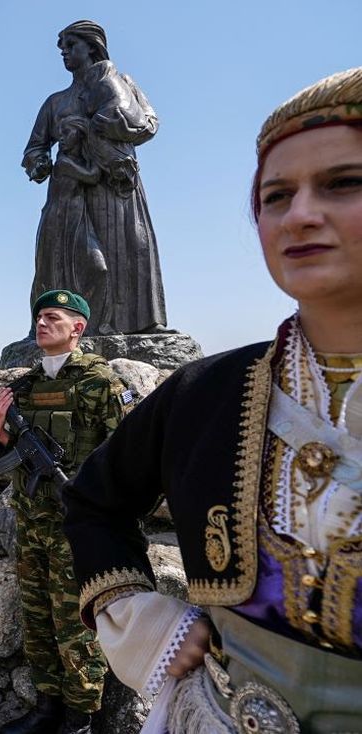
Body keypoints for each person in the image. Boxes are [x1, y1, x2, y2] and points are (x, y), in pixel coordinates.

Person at [63, 67, 362, 734]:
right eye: (276, 196)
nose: (301, 213)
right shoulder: (205, 393)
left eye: (344, 183)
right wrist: (141, 619)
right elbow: (92, 499)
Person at [0, 289, 130, 734]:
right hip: (33, 521)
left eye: (52, 317)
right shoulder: (25, 387)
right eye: (39, 317)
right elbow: (7, 453)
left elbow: (125, 456)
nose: (41, 323)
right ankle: (46, 706)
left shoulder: (101, 383)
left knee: (76, 623)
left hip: (77, 527)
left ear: (78, 328)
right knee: (37, 616)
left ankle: (79, 718)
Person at [22, 20, 166, 335]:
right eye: (61, 48)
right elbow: (34, 148)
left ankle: (143, 322)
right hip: (70, 192)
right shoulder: (56, 102)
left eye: (70, 45)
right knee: (66, 261)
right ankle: (65, 329)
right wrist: (40, 164)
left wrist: (114, 123)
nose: (64, 53)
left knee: (131, 247)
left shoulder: (120, 82)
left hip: (115, 187)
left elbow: (150, 122)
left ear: (91, 46)